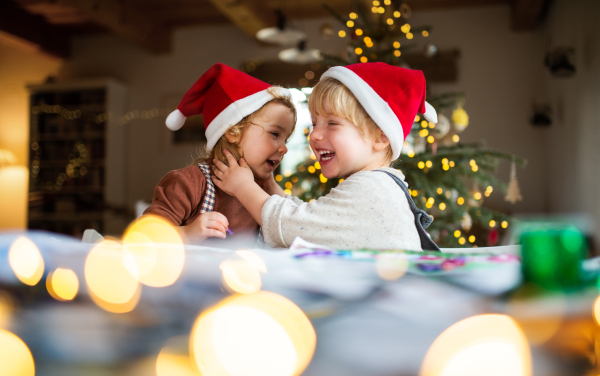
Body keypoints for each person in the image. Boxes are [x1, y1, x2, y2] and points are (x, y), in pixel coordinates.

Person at [212, 62, 440, 251]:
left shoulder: (372, 188)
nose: (315, 135)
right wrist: (271, 187)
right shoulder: (379, 183)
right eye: (313, 123)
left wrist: (243, 187)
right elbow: (313, 219)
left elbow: (292, 226)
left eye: (332, 123)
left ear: (380, 138)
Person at [144, 63, 296, 245]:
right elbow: (147, 236)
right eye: (275, 134)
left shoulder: (262, 195)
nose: (284, 149)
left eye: (285, 140)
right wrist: (187, 233)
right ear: (233, 132)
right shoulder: (189, 183)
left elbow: (297, 229)